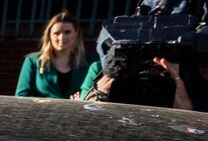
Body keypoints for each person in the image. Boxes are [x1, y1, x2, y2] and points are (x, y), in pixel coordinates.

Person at [14, 10, 97, 98]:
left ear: (76, 33)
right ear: (49, 35)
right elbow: (21, 96)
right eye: (56, 33)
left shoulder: (92, 62)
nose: (61, 37)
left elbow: (98, 96)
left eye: (67, 32)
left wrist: (81, 101)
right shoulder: (33, 62)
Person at [80, 55, 208, 111]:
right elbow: (90, 110)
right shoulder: (115, 76)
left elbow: (189, 117)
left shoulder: (187, 82)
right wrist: (115, 71)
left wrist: (175, 76)